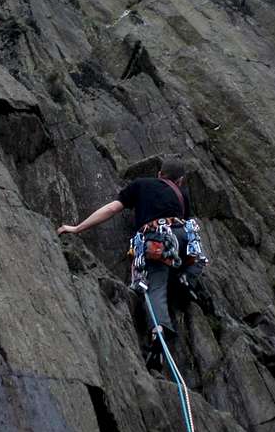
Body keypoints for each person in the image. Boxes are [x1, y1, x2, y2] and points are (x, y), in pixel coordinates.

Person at [58, 159, 207, 370]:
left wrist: (77, 228)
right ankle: (187, 277)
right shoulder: (182, 196)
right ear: (180, 181)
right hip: (183, 238)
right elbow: (189, 225)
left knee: (154, 284)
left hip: (157, 238)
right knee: (194, 257)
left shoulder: (141, 184)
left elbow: (111, 209)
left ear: (159, 174)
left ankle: (159, 333)